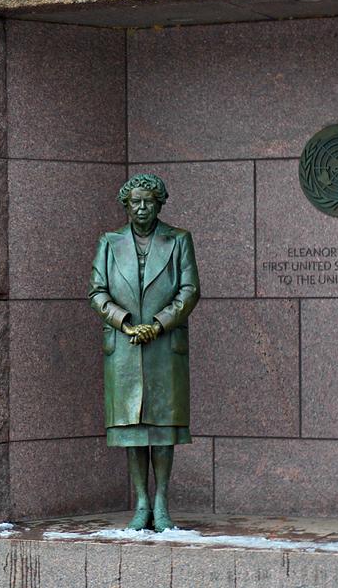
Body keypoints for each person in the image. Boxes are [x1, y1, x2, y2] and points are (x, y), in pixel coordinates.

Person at [88, 173, 200, 532]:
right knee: (132, 429)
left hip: (164, 345)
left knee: (162, 427)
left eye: (148, 202)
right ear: (125, 204)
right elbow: (97, 291)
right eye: (135, 201)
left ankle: (161, 501)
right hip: (123, 346)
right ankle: (140, 501)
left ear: (159, 204)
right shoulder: (109, 242)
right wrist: (123, 322)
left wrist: (159, 323)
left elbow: (189, 290)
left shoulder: (179, 240)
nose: (141, 208)